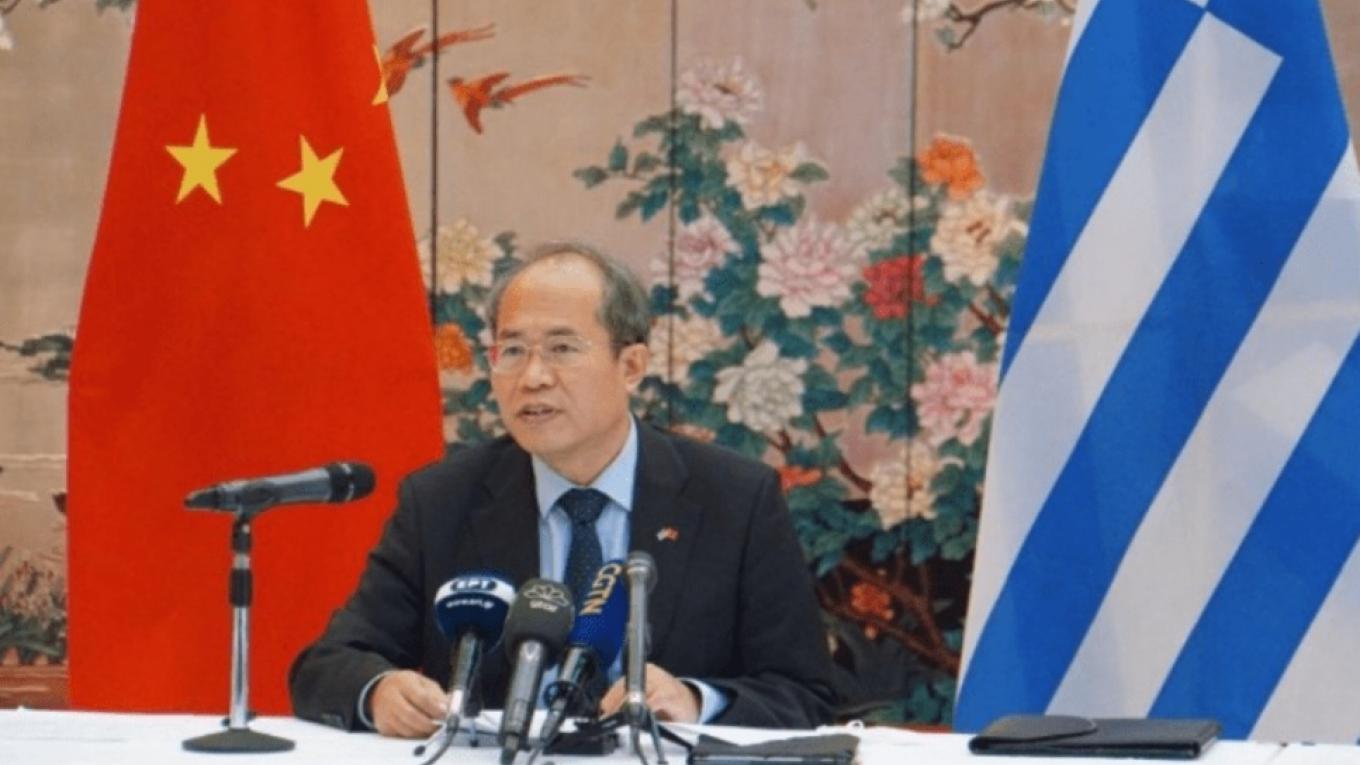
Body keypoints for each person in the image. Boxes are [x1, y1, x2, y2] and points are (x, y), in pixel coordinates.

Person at [289, 242, 836, 736]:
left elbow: (804, 693)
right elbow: (327, 665)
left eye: (562, 348)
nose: (533, 377)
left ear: (632, 365)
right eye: (512, 351)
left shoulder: (734, 500)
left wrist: (694, 701)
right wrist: (379, 692)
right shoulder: (441, 501)